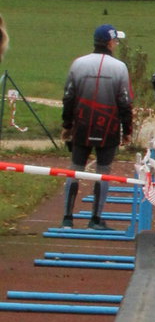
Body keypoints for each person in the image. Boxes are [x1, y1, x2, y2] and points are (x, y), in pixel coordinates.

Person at [61, 23, 133, 229]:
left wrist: (67, 124)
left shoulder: (78, 64)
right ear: (109, 42)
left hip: (82, 126)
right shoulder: (120, 68)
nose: (116, 44)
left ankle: (67, 218)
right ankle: (95, 219)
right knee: (103, 172)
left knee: (75, 170)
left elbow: (68, 97)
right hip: (108, 128)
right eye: (115, 40)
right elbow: (125, 103)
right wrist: (127, 130)